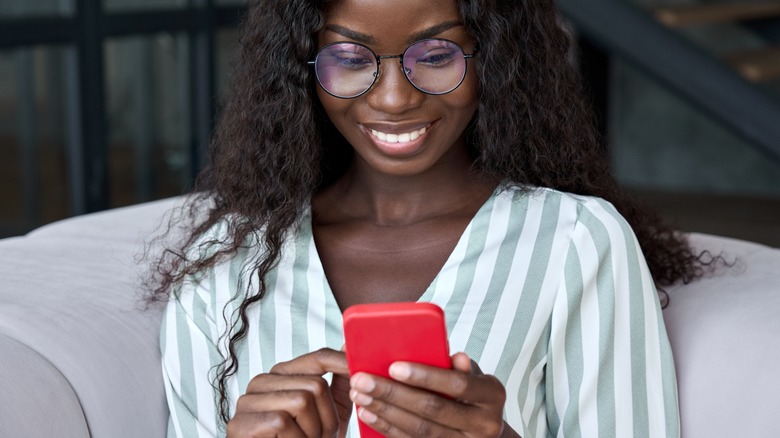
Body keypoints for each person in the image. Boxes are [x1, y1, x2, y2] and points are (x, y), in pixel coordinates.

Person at [151, 0, 711, 436]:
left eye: (437, 56)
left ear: (494, 56)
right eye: (349, 60)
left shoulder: (577, 241)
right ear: (300, 68)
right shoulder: (222, 267)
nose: (394, 99)